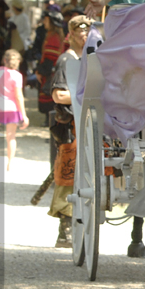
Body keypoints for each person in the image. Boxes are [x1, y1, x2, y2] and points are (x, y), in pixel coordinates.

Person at [47, 14, 92, 248]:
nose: (84, 35)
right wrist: (84, 97)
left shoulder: (91, 59)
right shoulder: (67, 59)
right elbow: (58, 95)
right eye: (80, 31)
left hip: (89, 123)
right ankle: (65, 230)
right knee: (68, 174)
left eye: (87, 31)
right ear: (71, 34)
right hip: (71, 126)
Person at [0, 49, 29, 171]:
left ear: (4, 60)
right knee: (11, 136)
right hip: (11, 108)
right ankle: (9, 163)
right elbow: (18, 96)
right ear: (18, 62)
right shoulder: (17, 76)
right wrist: (24, 115)